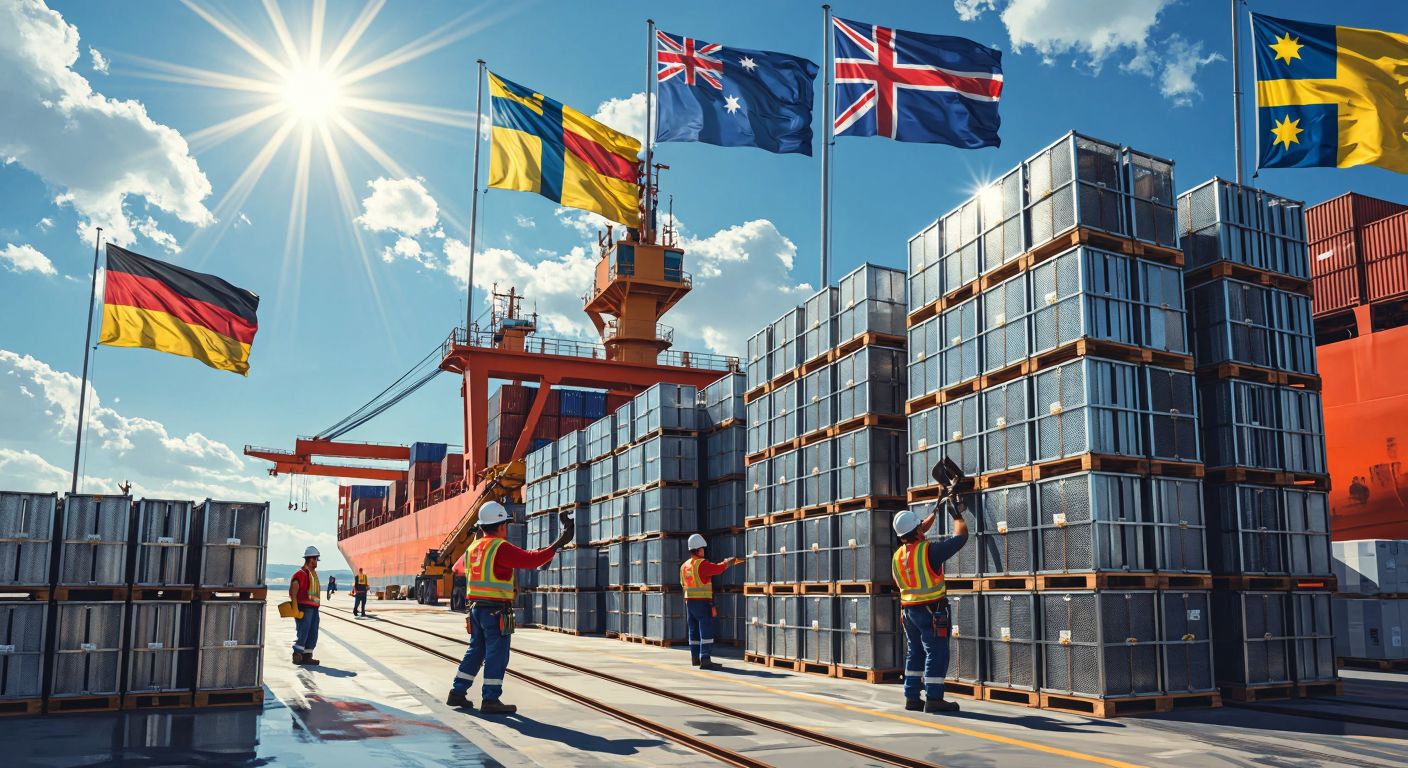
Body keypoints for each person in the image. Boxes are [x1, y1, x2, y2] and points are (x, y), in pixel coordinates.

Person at [446, 502, 576, 715]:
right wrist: (560, 541)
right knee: (497, 654)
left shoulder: (472, 548)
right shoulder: (500, 547)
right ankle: (490, 699)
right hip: (495, 611)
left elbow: (457, 568)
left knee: (476, 651)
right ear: (500, 526)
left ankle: (457, 692)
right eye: (505, 524)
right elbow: (532, 560)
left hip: (476, 610)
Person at [892, 497, 968, 714]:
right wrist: (956, 515)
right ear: (917, 531)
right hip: (932, 612)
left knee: (915, 652)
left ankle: (912, 698)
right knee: (936, 652)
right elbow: (961, 537)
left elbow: (898, 582)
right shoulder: (930, 551)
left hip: (908, 613)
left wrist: (935, 510)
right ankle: (934, 698)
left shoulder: (898, 556)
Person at [680, 533, 743, 671]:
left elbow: (683, 585)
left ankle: (695, 658)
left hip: (689, 603)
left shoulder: (684, 566)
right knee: (706, 630)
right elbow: (717, 569)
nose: (704, 551)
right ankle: (705, 659)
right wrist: (728, 562)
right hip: (702, 603)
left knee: (693, 631)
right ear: (698, 550)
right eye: (702, 548)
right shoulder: (702, 564)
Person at [288, 546, 323, 665]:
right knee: (303, 631)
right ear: (310, 559)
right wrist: (295, 607)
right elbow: (294, 589)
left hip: (314, 608)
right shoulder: (301, 574)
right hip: (304, 607)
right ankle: (297, 654)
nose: (317, 562)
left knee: (313, 632)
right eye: (316, 559)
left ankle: (307, 655)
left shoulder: (313, 574)